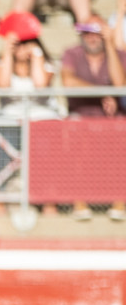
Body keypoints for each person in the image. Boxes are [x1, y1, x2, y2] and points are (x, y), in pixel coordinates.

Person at [60, 16, 126, 222]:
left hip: (111, 120)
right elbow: (68, 81)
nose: (92, 37)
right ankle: (80, 201)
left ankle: (118, 200)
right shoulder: (72, 54)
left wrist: (110, 44)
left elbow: (119, 83)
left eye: (96, 32)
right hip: (82, 117)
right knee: (75, 137)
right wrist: (101, 94)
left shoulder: (118, 55)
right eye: (87, 32)